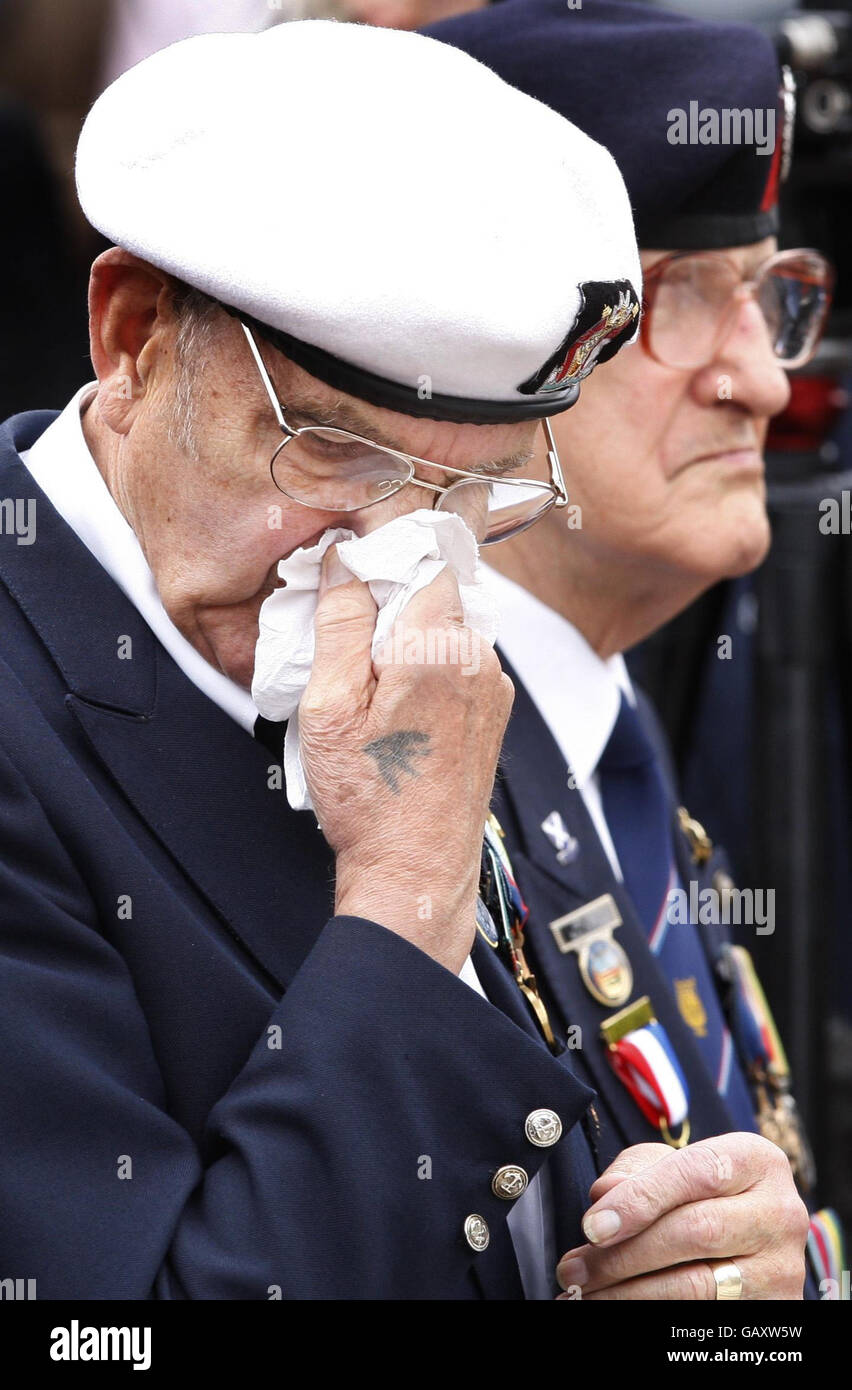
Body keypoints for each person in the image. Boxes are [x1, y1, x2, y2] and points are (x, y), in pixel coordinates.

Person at [0, 18, 653, 1300]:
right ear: (133, 336)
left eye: (476, 495)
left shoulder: (428, 614)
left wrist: (684, 1262)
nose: (385, 563)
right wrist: (406, 896)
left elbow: (539, 1154)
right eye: (337, 452)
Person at [426, 0, 842, 1298]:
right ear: (487, 341)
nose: (763, 382)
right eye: (675, 299)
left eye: (770, 297)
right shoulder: (390, 774)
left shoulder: (602, 709)